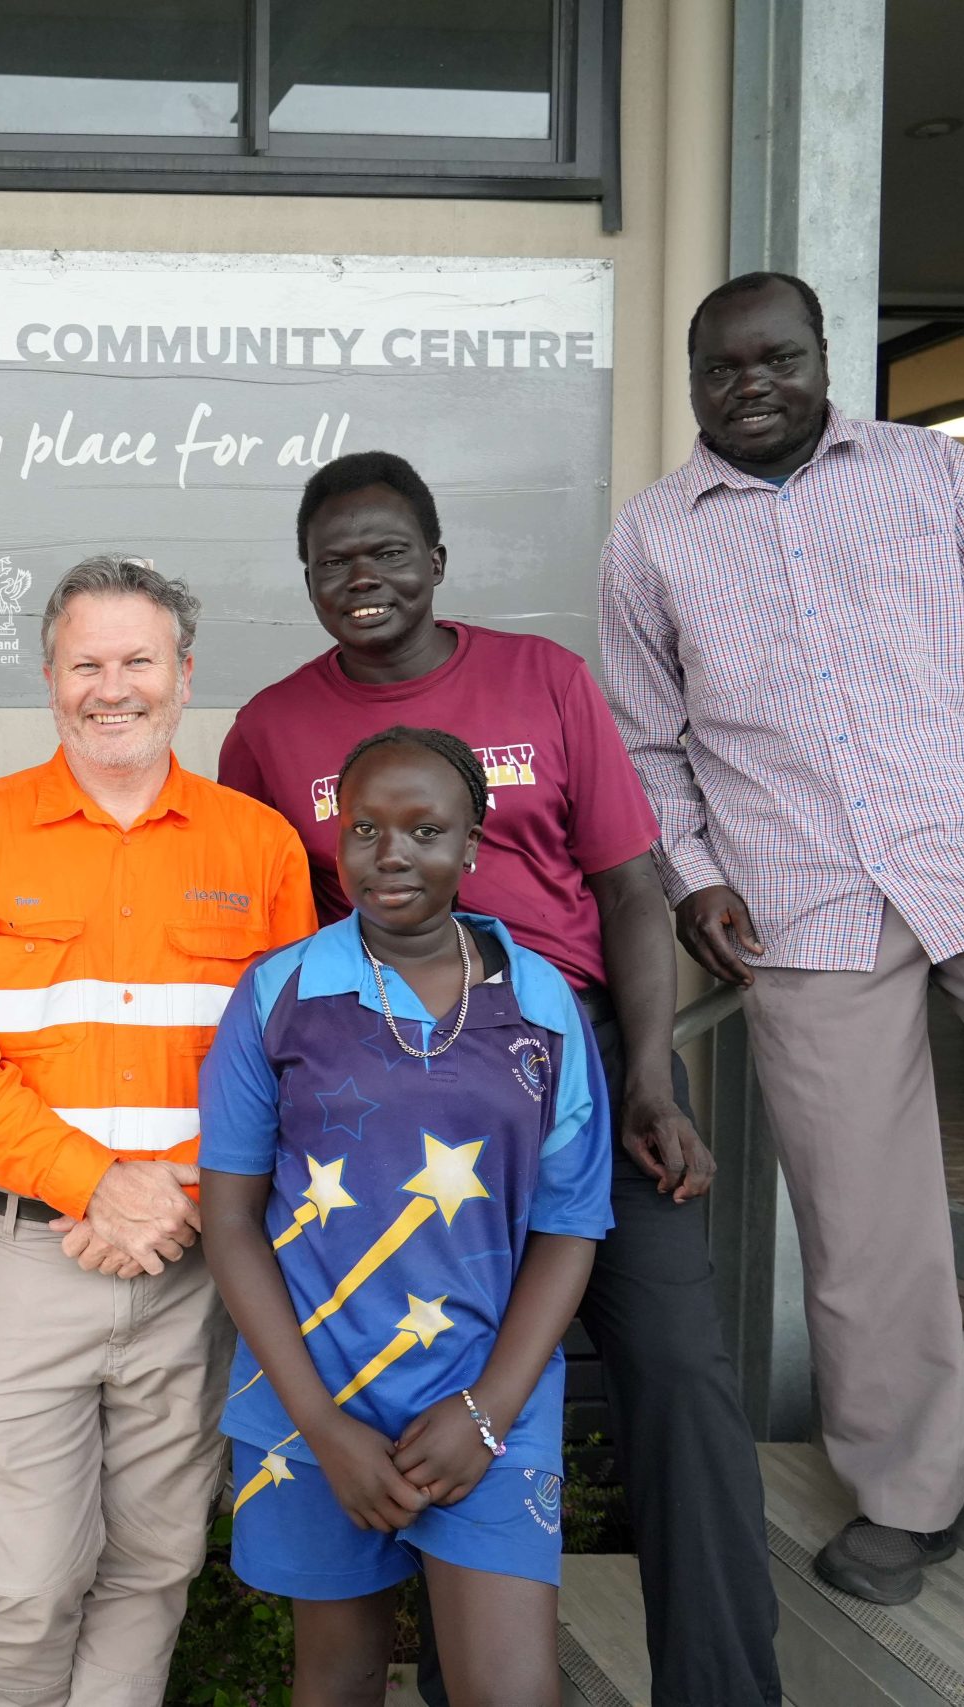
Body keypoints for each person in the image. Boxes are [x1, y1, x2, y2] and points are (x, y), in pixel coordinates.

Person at [601, 269, 964, 1602]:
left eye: (776, 358)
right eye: (721, 368)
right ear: (694, 382)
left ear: (824, 359)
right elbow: (644, 741)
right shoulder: (653, 538)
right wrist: (693, 875)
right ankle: (908, 1488)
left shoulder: (936, 479)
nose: (750, 385)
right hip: (800, 899)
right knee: (863, 1206)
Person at [218, 451, 780, 1702]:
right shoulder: (269, 728)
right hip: (384, 1091)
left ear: (436, 561)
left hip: (570, 1063)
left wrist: (650, 1078)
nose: (362, 578)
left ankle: (723, 1685)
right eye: (333, 560)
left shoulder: (544, 679)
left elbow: (633, 887)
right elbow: (275, 939)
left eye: (387, 552)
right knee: (405, 1379)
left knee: (678, 1372)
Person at [0, 555, 316, 1706]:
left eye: (137, 661)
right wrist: (93, 1183)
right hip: (29, 1262)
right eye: (86, 663)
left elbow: (295, 1062)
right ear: (48, 679)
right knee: (22, 1583)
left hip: (191, 1267)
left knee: (153, 1567)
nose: (110, 686)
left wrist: (169, 1194)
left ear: (184, 676)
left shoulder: (260, 847)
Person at [201, 727, 613, 1707]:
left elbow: (570, 1223)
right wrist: (320, 1427)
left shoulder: (542, 1003)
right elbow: (230, 1225)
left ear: (472, 846)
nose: (390, 855)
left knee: (511, 1692)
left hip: (484, 1401)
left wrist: (490, 1411)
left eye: (424, 831)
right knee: (336, 1682)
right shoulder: (279, 993)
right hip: (317, 1398)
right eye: (366, 829)